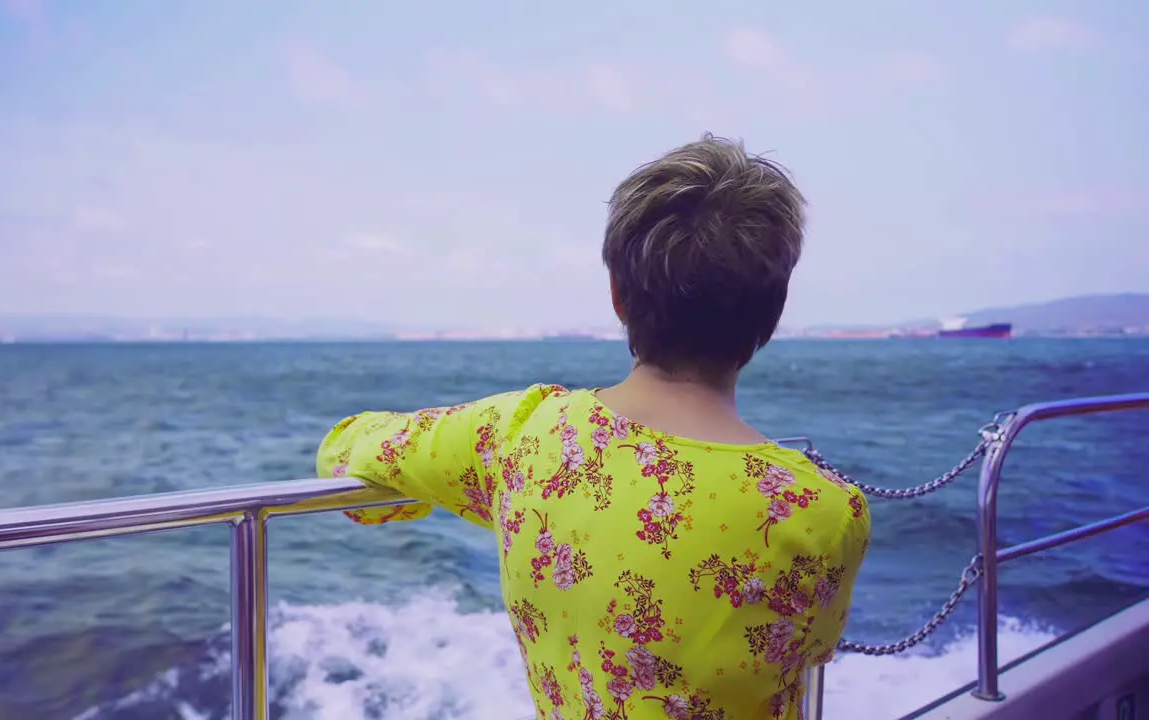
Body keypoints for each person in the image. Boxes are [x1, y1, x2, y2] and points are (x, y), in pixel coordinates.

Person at [316, 134, 871, 720]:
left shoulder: (520, 435)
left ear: (618, 298)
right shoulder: (822, 512)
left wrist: (411, 503)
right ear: (774, 310)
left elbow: (345, 449)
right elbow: (812, 649)